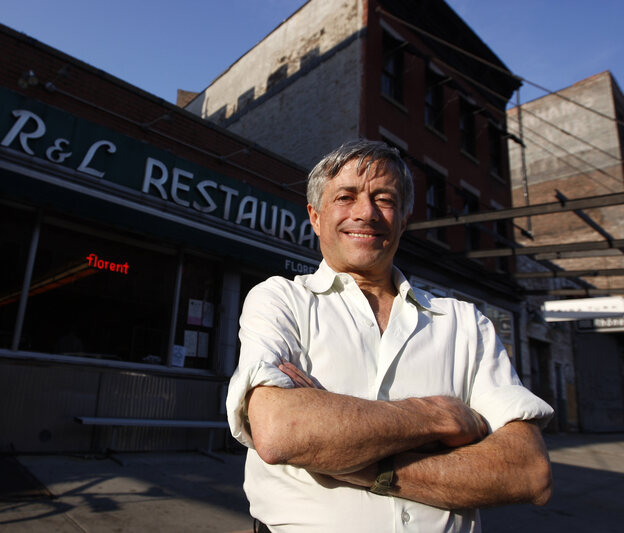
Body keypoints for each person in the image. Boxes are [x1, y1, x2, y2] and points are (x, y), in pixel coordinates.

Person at [226, 139, 553, 532]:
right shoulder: (281, 300)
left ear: (403, 218)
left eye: (383, 198)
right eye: (345, 197)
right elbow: (281, 431)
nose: (365, 213)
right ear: (315, 216)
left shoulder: (464, 322)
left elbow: (527, 471)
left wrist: (351, 459)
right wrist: (438, 416)